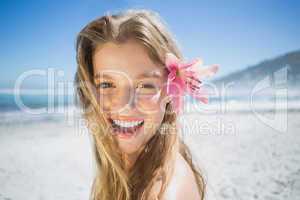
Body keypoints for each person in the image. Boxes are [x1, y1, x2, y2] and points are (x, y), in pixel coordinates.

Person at [74, 8, 217, 200]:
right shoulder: (134, 165)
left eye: (145, 85)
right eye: (107, 84)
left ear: (172, 89)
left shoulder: (163, 193)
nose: (124, 105)